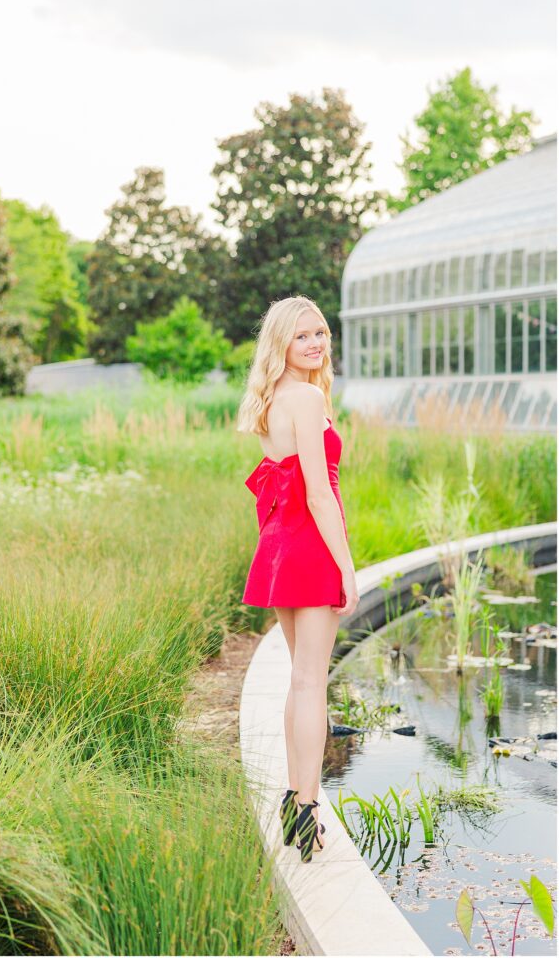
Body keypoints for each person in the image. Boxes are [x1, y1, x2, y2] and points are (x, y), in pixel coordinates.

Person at [236, 295, 360, 862]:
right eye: (303, 336)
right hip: (309, 548)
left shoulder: (271, 400)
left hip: (281, 547)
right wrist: (346, 565)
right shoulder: (307, 398)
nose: (315, 344)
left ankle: (296, 802)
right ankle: (307, 810)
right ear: (281, 343)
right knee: (312, 681)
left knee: (300, 679)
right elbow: (317, 491)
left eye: (321, 334)